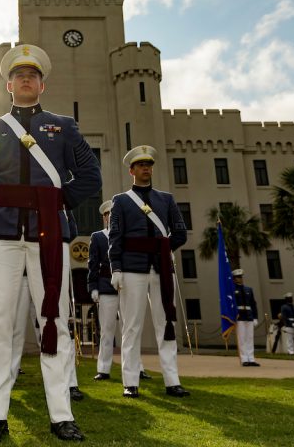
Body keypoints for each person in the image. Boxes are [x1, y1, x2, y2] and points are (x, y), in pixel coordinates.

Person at [0, 44, 100, 444]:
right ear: (9, 84)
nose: (26, 80)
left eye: (33, 75)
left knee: (53, 322)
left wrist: (56, 202)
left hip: (48, 233)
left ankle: (62, 416)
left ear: (42, 84)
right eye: (19, 75)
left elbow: (91, 177)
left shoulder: (64, 126)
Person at [108, 145, 190, 400]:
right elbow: (115, 237)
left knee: (166, 324)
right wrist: (116, 267)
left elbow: (180, 233)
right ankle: (130, 381)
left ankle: (172, 380)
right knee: (131, 327)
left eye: (149, 165)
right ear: (132, 170)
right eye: (141, 165)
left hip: (162, 268)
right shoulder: (120, 201)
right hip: (132, 268)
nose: (146, 169)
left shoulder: (166, 199)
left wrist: (162, 249)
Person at [87, 200, 119, 380]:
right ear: (104, 218)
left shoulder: (125, 236)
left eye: (113, 215)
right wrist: (93, 287)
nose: (110, 218)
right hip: (106, 286)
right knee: (107, 330)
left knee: (131, 329)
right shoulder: (98, 237)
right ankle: (104, 369)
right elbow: (92, 264)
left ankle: (137, 367)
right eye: (108, 215)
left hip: (126, 287)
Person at [231, 269, 260, 366]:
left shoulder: (248, 290)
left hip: (249, 315)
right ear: (234, 279)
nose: (240, 279)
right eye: (238, 277)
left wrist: (255, 317)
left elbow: (253, 304)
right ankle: (244, 359)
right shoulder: (232, 290)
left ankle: (251, 358)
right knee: (242, 338)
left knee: (250, 338)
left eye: (241, 277)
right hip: (239, 316)